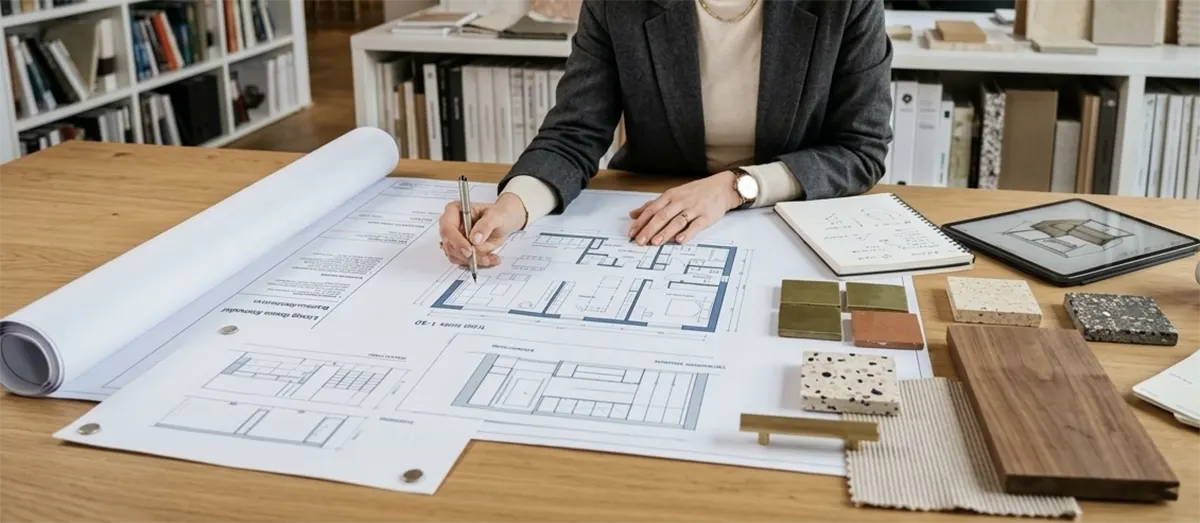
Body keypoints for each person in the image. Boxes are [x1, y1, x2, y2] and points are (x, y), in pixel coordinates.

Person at [438, 0, 893, 268]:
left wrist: (737, 186)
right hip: (648, 219)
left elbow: (861, 149)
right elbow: (573, 133)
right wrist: (513, 207)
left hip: (788, 226)